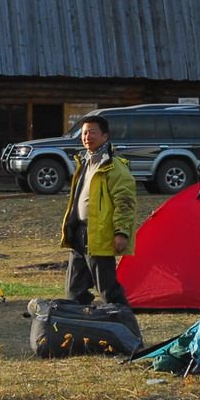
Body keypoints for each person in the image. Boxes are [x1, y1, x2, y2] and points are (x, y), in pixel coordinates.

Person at [60, 115, 137, 305]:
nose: (87, 137)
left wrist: (122, 232)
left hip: (99, 233)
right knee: (74, 290)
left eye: (92, 132)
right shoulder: (84, 162)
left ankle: (123, 324)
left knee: (107, 289)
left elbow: (125, 202)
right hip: (78, 232)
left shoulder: (114, 167)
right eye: (84, 133)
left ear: (105, 136)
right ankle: (81, 326)